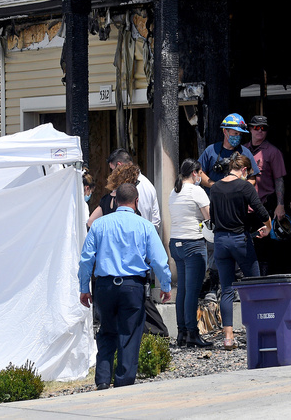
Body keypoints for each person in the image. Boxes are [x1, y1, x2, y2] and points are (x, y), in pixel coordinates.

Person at [78, 182, 172, 389]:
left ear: (115, 200)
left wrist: (84, 287)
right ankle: (124, 382)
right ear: (136, 201)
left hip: (104, 286)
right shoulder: (145, 226)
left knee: (106, 332)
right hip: (132, 286)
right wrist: (165, 285)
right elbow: (158, 260)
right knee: (129, 334)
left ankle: (103, 380)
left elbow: (86, 260)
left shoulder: (99, 225)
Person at [210, 153, 271, 350]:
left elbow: (212, 216)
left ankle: (228, 338)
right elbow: (261, 211)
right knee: (255, 285)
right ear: (244, 170)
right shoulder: (244, 186)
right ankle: (259, 331)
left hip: (220, 241)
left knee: (226, 289)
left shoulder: (216, 187)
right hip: (240, 240)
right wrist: (268, 227)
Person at [168, 159, 212, 348]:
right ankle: (192, 333)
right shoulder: (197, 191)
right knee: (192, 292)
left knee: (183, 291)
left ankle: (182, 333)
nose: (201, 177)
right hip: (193, 243)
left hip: (175, 242)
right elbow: (209, 217)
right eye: (200, 173)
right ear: (195, 173)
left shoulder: (174, 191)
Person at [197, 114, 260, 189]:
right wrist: (216, 186)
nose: (238, 137)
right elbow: (199, 172)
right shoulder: (211, 150)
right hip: (214, 198)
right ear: (225, 131)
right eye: (235, 133)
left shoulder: (245, 152)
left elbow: (252, 178)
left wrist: (240, 188)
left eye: (240, 134)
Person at [247, 115, 286, 220]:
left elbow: (279, 180)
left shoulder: (274, 152)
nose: (260, 131)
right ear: (250, 129)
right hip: (243, 208)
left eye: (263, 128)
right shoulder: (242, 150)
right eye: (256, 127)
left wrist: (280, 205)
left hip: (264, 206)